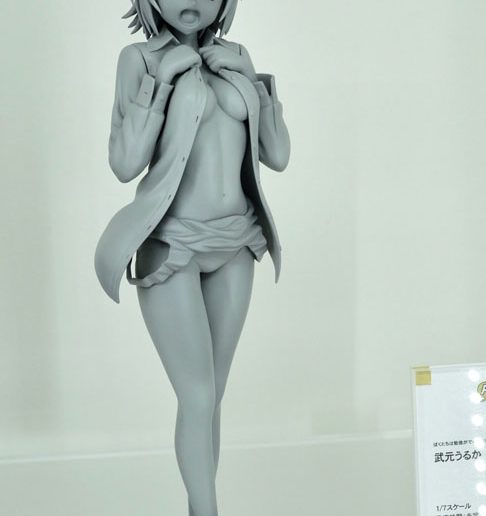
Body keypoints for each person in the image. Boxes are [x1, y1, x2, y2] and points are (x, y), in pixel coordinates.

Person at [94, 1, 290, 515]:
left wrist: (255, 83)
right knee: (197, 396)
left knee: (211, 397)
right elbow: (124, 164)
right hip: (172, 244)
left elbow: (278, 155)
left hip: (237, 242)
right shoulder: (139, 58)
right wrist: (159, 85)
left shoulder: (237, 54)